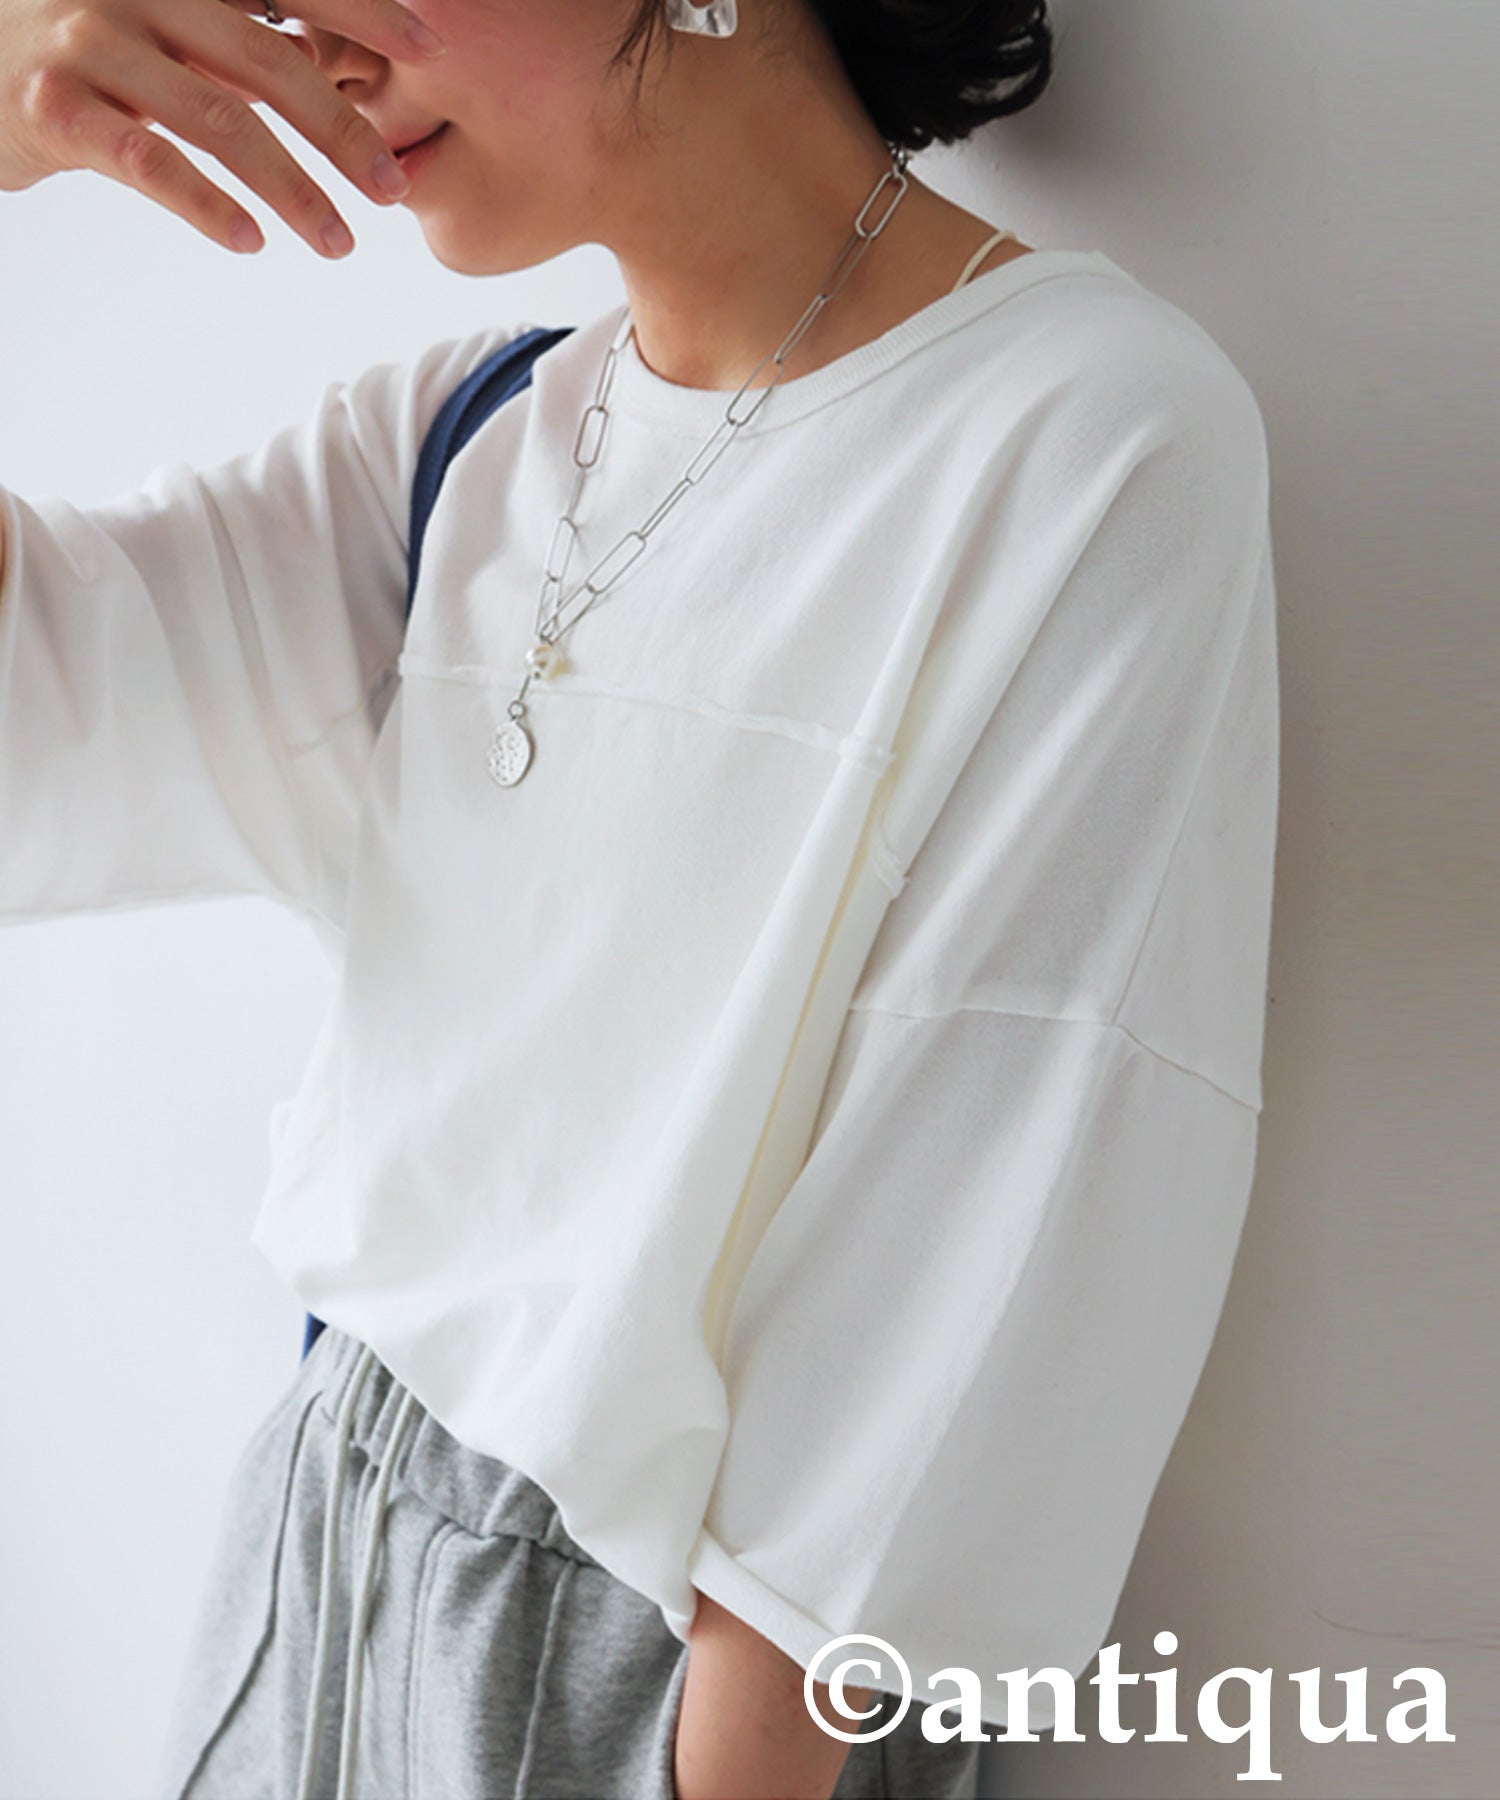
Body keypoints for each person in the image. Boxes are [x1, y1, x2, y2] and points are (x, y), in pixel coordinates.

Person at [0, 0, 1280, 1795]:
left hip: (662, 1680)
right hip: (307, 1563)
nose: (322, 45)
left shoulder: (1077, 433)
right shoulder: (469, 440)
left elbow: (982, 1240)